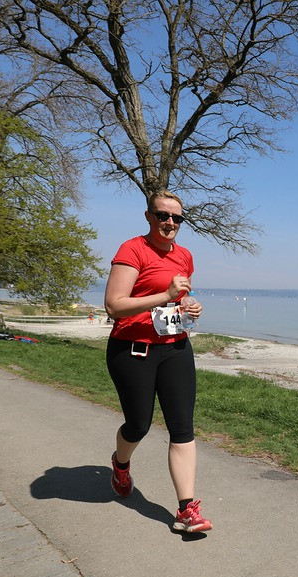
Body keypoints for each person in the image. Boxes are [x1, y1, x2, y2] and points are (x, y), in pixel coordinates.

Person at [103, 190, 211, 534]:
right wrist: (164, 295)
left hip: (176, 348)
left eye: (177, 218)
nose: (170, 223)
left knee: (182, 428)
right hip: (133, 350)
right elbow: (114, 305)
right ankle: (121, 464)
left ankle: (187, 510)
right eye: (163, 215)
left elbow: (180, 296)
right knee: (139, 425)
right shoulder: (132, 249)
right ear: (149, 216)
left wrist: (190, 305)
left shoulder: (185, 256)